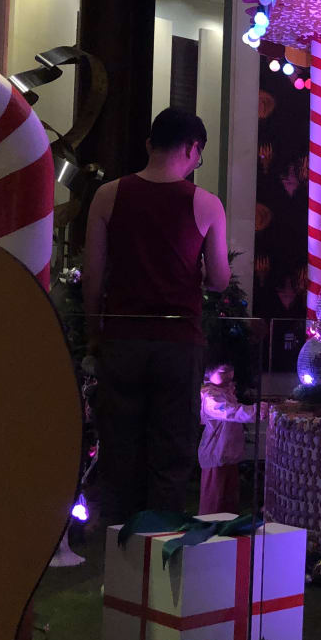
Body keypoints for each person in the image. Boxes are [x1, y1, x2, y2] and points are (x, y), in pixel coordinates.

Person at [82, 109, 231, 522]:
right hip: (178, 344)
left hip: (122, 340)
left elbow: (93, 275)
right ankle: (158, 550)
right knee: (170, 457)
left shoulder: (107, 195)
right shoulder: (206, 204)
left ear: (150, 145)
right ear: (193, 148)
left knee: (119, 453)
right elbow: (220, 279)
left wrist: (94, 331)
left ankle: (118, 550)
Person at [197, 363, 256, 514]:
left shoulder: (226, 392)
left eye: (230, 371)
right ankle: (209, 525)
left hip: (229, 455)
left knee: (229, 500)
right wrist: (255, 411)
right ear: (208, 373)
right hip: (215, 456)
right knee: (214, 502)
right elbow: (229, 412)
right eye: (223, 371)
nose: (228, 376)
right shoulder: (211, 397)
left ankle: (228, 525)